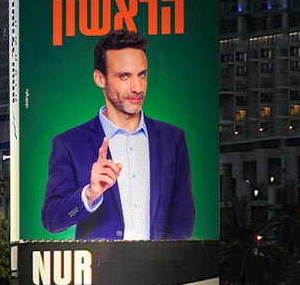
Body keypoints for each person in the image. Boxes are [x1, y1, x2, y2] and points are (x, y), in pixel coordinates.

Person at [40, 28, 196, 240]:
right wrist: (90, 194)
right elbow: (51, 220)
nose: (137, 87)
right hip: (99, 270)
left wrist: (168, 265)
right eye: (124, 76)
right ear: (99, 78)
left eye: (142, 75)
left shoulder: (172, 139)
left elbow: (183, 214)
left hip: (159, 270)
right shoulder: (69, 144)